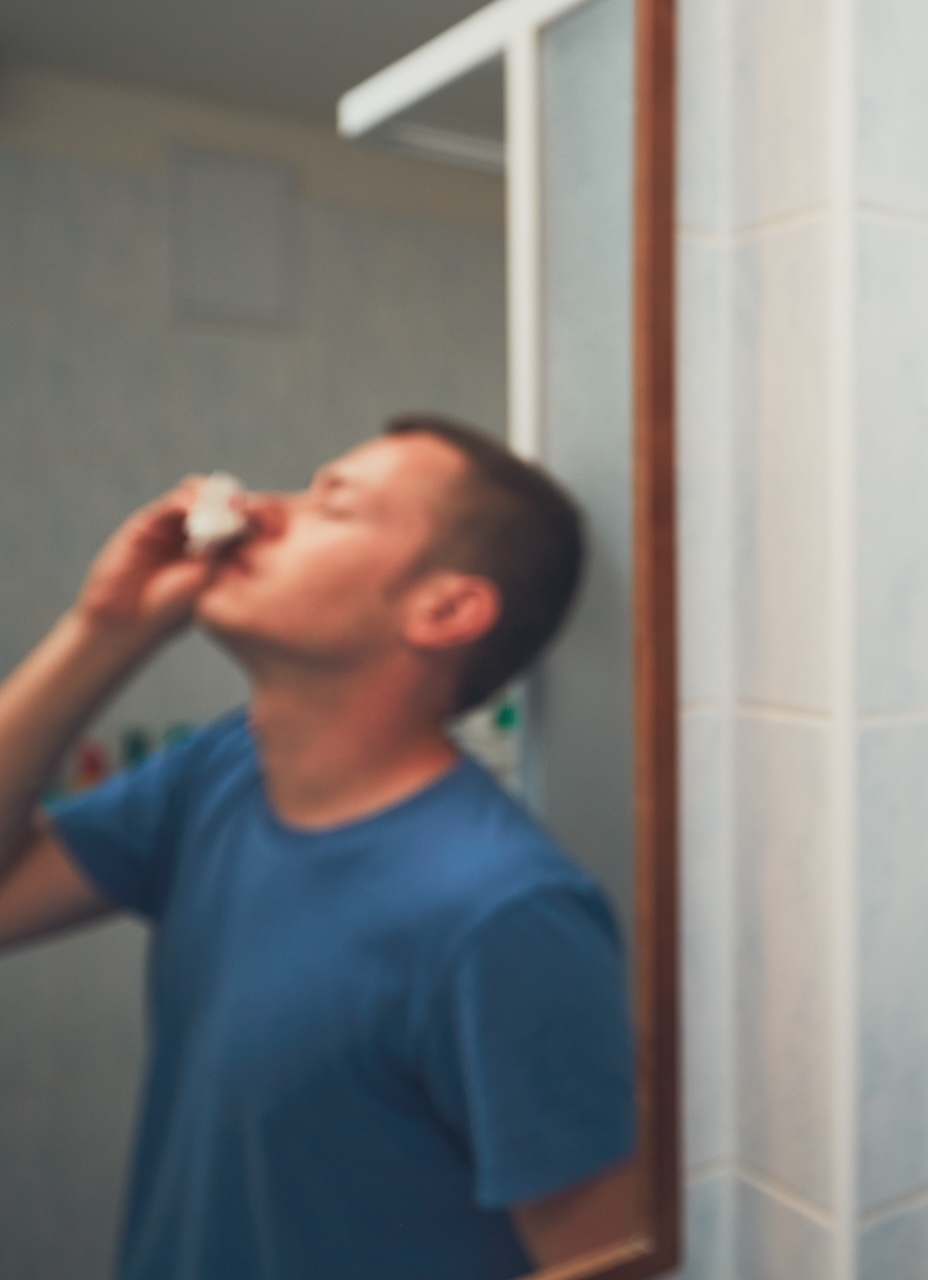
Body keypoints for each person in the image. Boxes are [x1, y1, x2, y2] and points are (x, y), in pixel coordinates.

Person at [0, 415, 640, 1280]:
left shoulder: (505, 916)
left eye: (332, 505)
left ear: (445, 609)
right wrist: (104, 630)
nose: (259, 511)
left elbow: (605, 1263)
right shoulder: (220, 775)